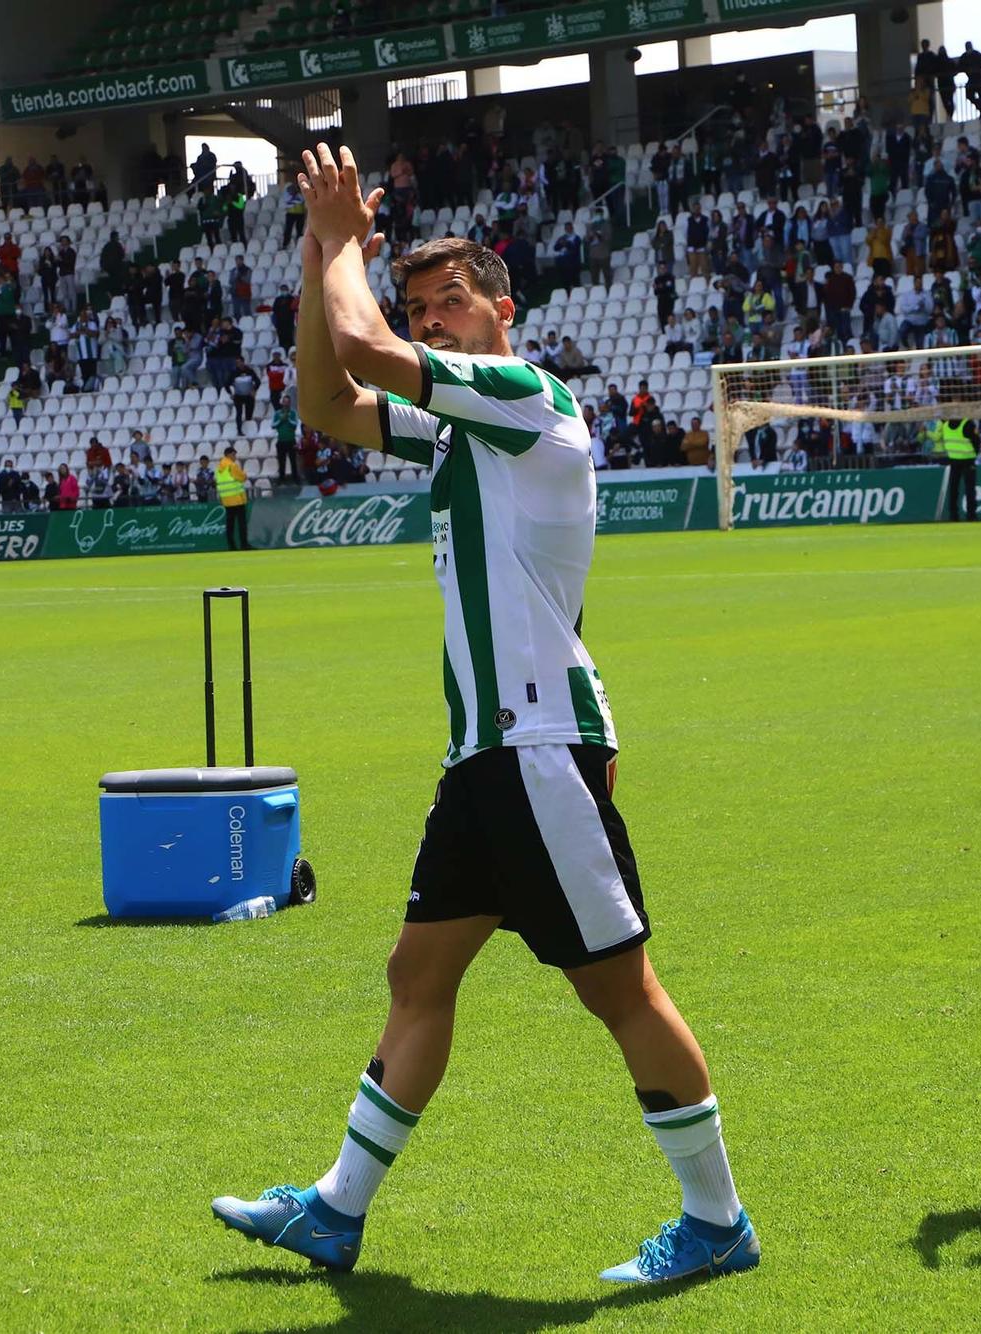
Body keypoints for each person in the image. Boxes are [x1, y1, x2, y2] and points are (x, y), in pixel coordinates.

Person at [210, 145, 759, 1286]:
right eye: (420, 308)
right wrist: (323, 254)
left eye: (449, 302)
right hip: (486, 754)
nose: (432, 321)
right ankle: (334, 1208)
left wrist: (346, 257)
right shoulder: (459, 427)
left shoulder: (526, 396)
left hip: (539, 744)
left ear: (502, 309)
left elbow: (365, 350)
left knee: (619, 988)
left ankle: (716, 1221)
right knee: (418, 975)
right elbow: (326, 393)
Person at [216, 447, 249, 550]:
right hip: (237, 498)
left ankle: (232, 546)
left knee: (230, 524)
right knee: (241, 523)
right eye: (234, 455)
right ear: (229, 455)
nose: (235, 457)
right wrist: (244, 474)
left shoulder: (219, 468)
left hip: (226, 499)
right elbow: (242, 477)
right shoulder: (232, 465)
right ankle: (244, 545)